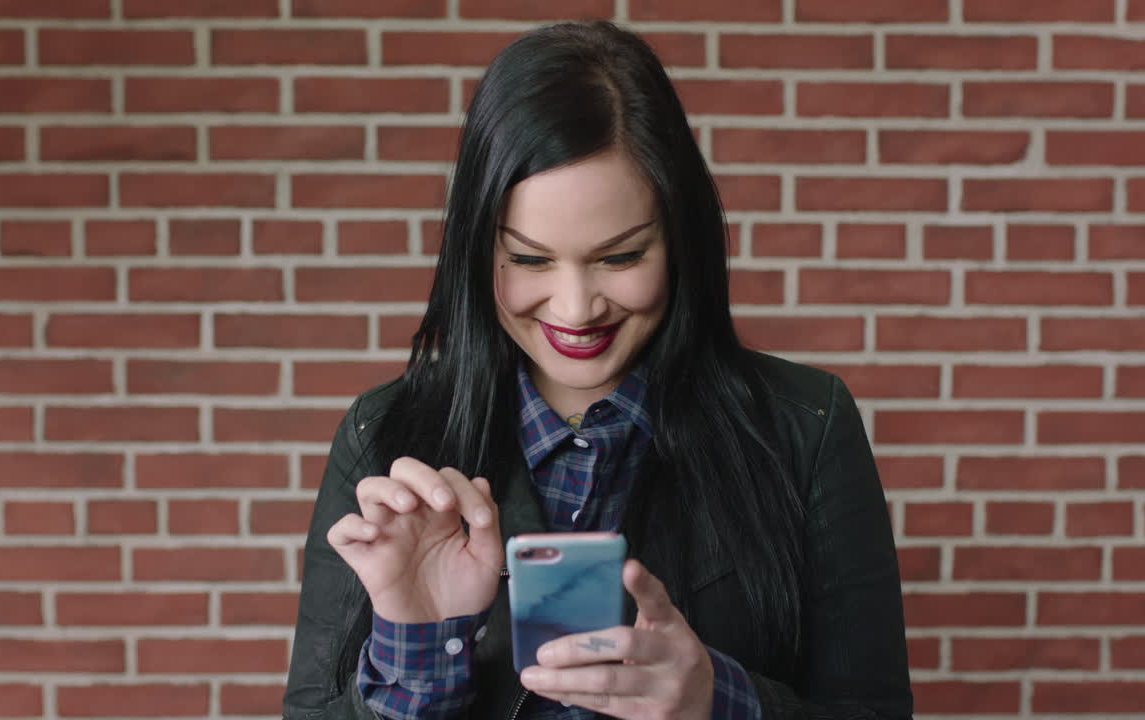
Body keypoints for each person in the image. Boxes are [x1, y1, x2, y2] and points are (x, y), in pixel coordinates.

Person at [283, 20, 912, 720]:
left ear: (679, 239)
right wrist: (415, 644)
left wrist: (716, 701)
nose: (576, 310)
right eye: (528, 260)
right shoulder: (385, 436)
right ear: (475, 250)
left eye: (620, 257)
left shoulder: (806, 427)